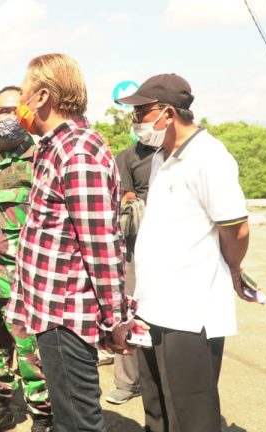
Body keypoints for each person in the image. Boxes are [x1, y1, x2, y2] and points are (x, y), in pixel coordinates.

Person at [6, 53, 137, 431]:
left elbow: (101, 245)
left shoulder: (78, 152)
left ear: (42, 96)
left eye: (24, 94)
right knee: (68, 415)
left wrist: (116, 319)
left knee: (78, 421)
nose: (19, 105)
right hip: (53, 311)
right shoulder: (56, 146)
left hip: (66, 314)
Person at [117, 74, 252, 432]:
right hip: (152, 307)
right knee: (157, 407)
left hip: (189, 313)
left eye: (141, 112)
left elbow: (236, 227)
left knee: (191, 414)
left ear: (167, 113)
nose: (136, 121)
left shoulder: (209, 157)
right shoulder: (162, 157)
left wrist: (234, 268)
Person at [0, 86, 53, 432]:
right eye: (3, 111)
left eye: (17, 110)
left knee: (31, 351)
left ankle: (44, 416)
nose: (10, 117)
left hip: (23, 278)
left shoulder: (40, 156)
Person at [103, 133, 157, 405]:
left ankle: (161, 377)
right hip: (135, 242)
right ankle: (127, 382)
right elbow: (125, 196)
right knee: (128, 306)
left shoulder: (181, 156)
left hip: (173, 246)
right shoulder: (129, 156)